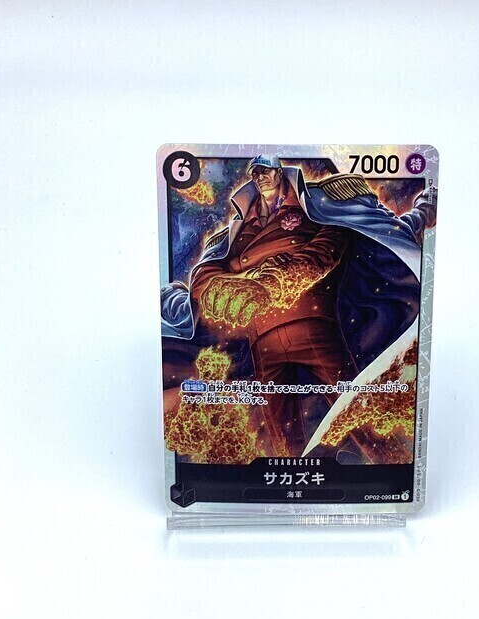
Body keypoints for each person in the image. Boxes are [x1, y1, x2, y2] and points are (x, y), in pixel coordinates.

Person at [161, 154, 436, 458]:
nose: (261, 177)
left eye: (266, 170)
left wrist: (273, 282)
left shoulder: (318, 206)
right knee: (284, 443)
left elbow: (327, 248)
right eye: (256, 172)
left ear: (280, 173)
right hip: (262, 342)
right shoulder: (233, 234)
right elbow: (205, 272)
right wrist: (219, 287)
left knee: (357, 412)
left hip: (311, 325)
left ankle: (394, 466)